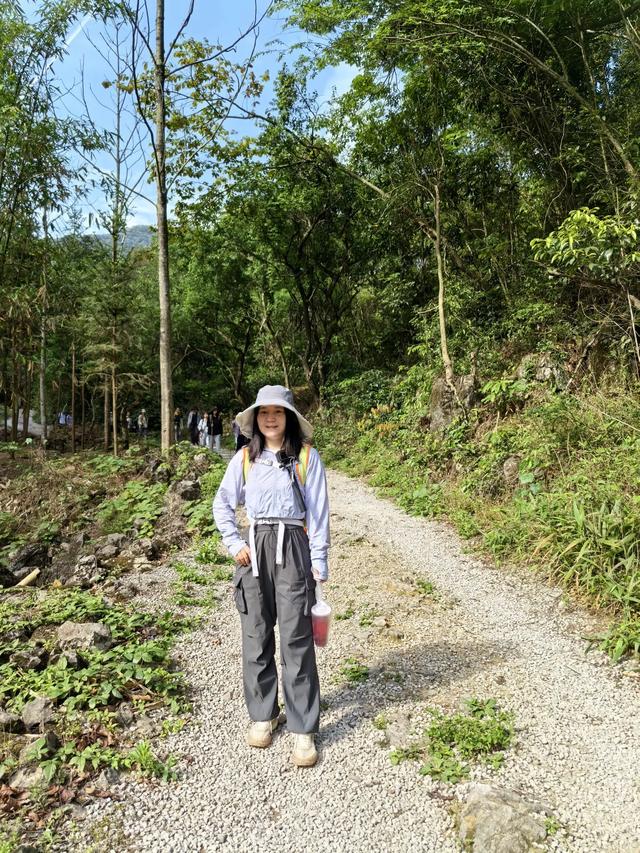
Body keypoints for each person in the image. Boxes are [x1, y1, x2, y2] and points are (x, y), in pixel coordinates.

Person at [213, 386, 329, 768]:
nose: (270, 418)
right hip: (254, 548)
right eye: (264, 412)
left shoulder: (307, 458)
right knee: (255, 634)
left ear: (289, 418)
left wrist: (318, 561)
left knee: (296, 638)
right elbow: (222, 503)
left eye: (278, 412)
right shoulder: (245, 458)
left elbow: (318, 514)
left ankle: (302, 727)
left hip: (293, 545)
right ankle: (264, 714)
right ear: (256, 419)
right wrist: (234, 543)